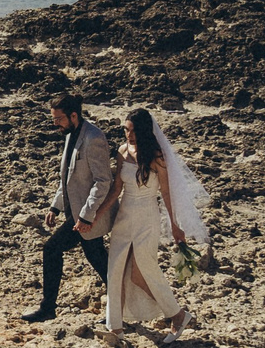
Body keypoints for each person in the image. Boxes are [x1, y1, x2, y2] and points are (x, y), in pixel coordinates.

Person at [102, 107, 202, 335]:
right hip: (124, 217)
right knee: (115, 269)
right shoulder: (122, 151)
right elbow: (117, 188)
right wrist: (96, 215)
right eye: (127, 130)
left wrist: (175, 226)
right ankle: (114, 328)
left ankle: (177, 315)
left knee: (142, 271)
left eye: (134, 131)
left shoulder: (156, 156)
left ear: (145, 131)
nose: (130, 135)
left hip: (147, 218)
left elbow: (166, 193)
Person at [25, 91, 118, 322]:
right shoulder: (70, 135)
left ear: (73, 115)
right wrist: (54, 207)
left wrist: (86, 216)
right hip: (75, 212)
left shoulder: (93, 138)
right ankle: (121, 306)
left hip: (86, 215)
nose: (55, 124)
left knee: (52, 249)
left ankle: (48, 308)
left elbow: (103, 181)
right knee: (98, 259)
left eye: (59, 119)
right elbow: (67, 177)